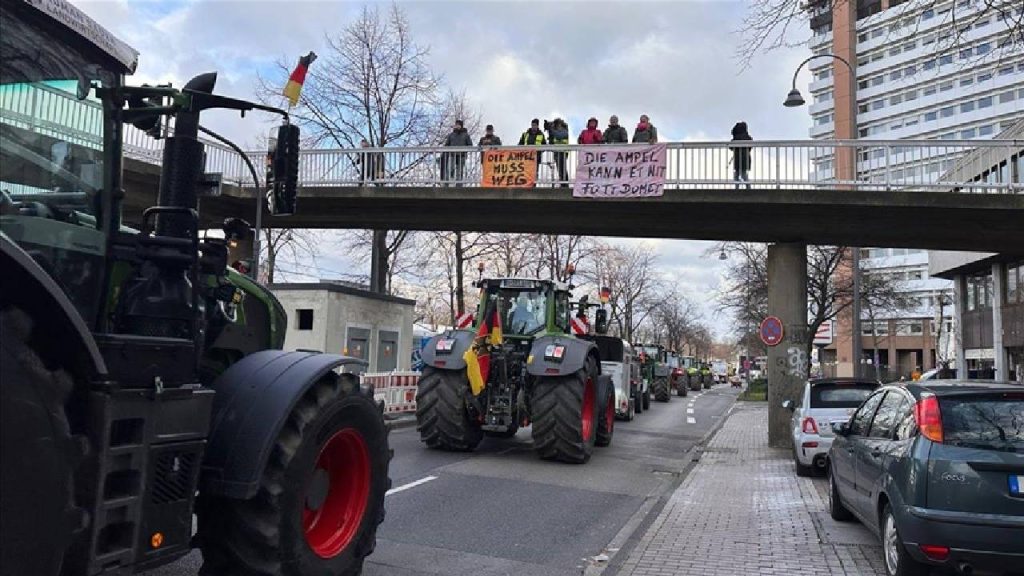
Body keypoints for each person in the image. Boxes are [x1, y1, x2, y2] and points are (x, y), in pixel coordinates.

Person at [443, 120, 473, 184]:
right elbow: (446, 145)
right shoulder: (451, 135)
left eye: (458, 125)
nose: (457, 126)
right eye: (456, 124)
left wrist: (465, 150)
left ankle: (459, 184)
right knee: (450, 169)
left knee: (459, 171)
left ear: (461, 126)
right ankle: (448, 183)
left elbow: (470, 145)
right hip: (452, 155)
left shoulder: (465, 135)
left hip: (461, 155)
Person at [518, 119, 547, 184]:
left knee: (535, 173)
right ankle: (526, 185)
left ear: (537, 126)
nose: (533, 127)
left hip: (536, 158)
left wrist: (538, 152)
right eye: (532, 125)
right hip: (526, 157)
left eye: (534, 125)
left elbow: (544, 146)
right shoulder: (525, 134)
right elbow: (520, 144)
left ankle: (534, 185)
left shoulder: (541, 135)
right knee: (525, 172)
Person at [546, 118, 570, 187]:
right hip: (557, 152)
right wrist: (549, 133)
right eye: (557, 125)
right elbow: (551, 143)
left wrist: (551, 130)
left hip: (563, 152)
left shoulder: (565, 131)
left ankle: (565, 183)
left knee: (563, 168)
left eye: (559, 125)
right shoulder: (554, 131)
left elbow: (559, 136)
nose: (558, 127)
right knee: (559, 168)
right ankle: (562, 183)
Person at [731, 121, 752, 189]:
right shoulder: (748, 137)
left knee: (737, 174)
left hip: (738, 158)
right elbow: (750, 147)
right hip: (746, 158)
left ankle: (737, 188)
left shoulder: (736, 137)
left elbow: (731, 147)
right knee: (743, 173)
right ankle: (748, 187)